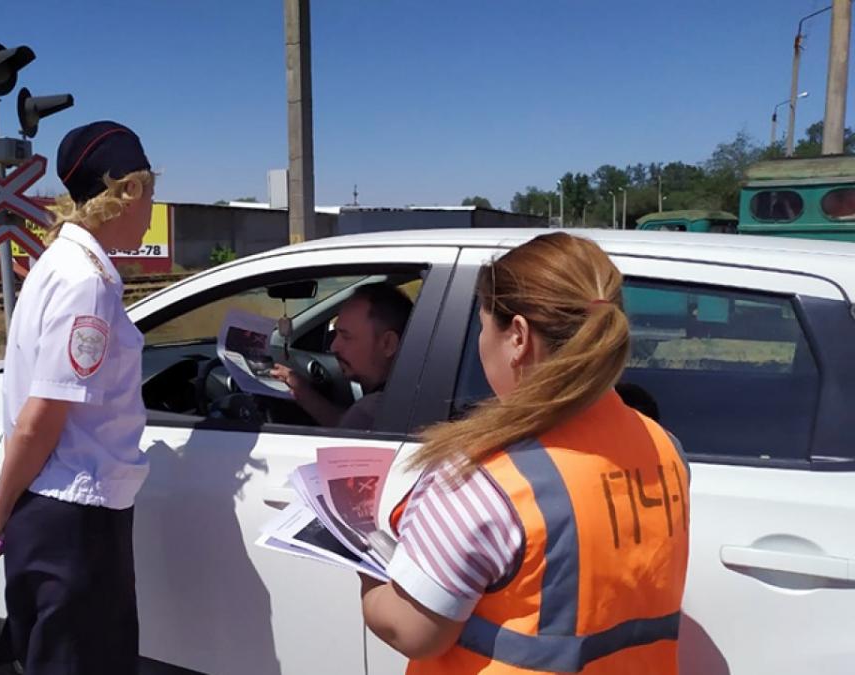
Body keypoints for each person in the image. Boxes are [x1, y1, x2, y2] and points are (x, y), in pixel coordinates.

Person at [361, 232, 690, 674]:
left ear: (517, 337)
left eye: (483, 326)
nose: (481, 344)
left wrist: (367, 570)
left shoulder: (486, 477)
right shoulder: (663, 446)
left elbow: (415, 631)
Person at [0, 120, 155, 674]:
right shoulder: (87, 280)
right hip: (75, 517)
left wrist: (6, 509)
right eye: (149, 192)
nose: (150, 209)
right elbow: (42, 416)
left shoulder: (60, 265)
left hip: (62, 509)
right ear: (126, 193)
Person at [270, 282, 413, 429]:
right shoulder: (409, 398)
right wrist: (303, 392)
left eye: (346, 337)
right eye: (336, 334)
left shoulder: (370, 410)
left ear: (388, 344)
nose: (333, 347)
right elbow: (345, 422)